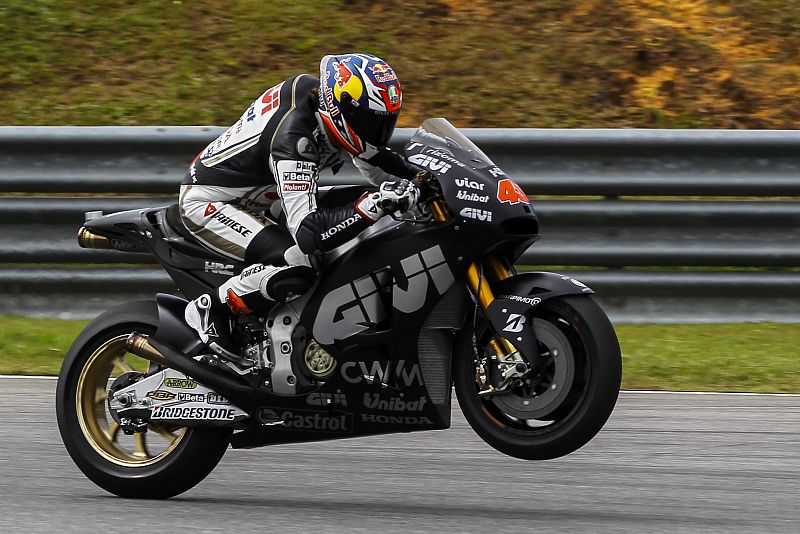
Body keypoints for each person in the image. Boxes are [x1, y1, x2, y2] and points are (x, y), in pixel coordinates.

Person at [180, 53, 424, 359]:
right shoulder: (295, 138)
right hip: (213, 203)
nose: (376, 130)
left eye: (384, 122)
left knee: (370, 211)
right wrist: (374, 204)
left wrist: (425, 178)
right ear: (341, 107)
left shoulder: (329, 109)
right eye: (369, 121)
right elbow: (307, 233)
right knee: (299, 262)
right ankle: (210, 308)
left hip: (265, 196)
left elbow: (376, 164)